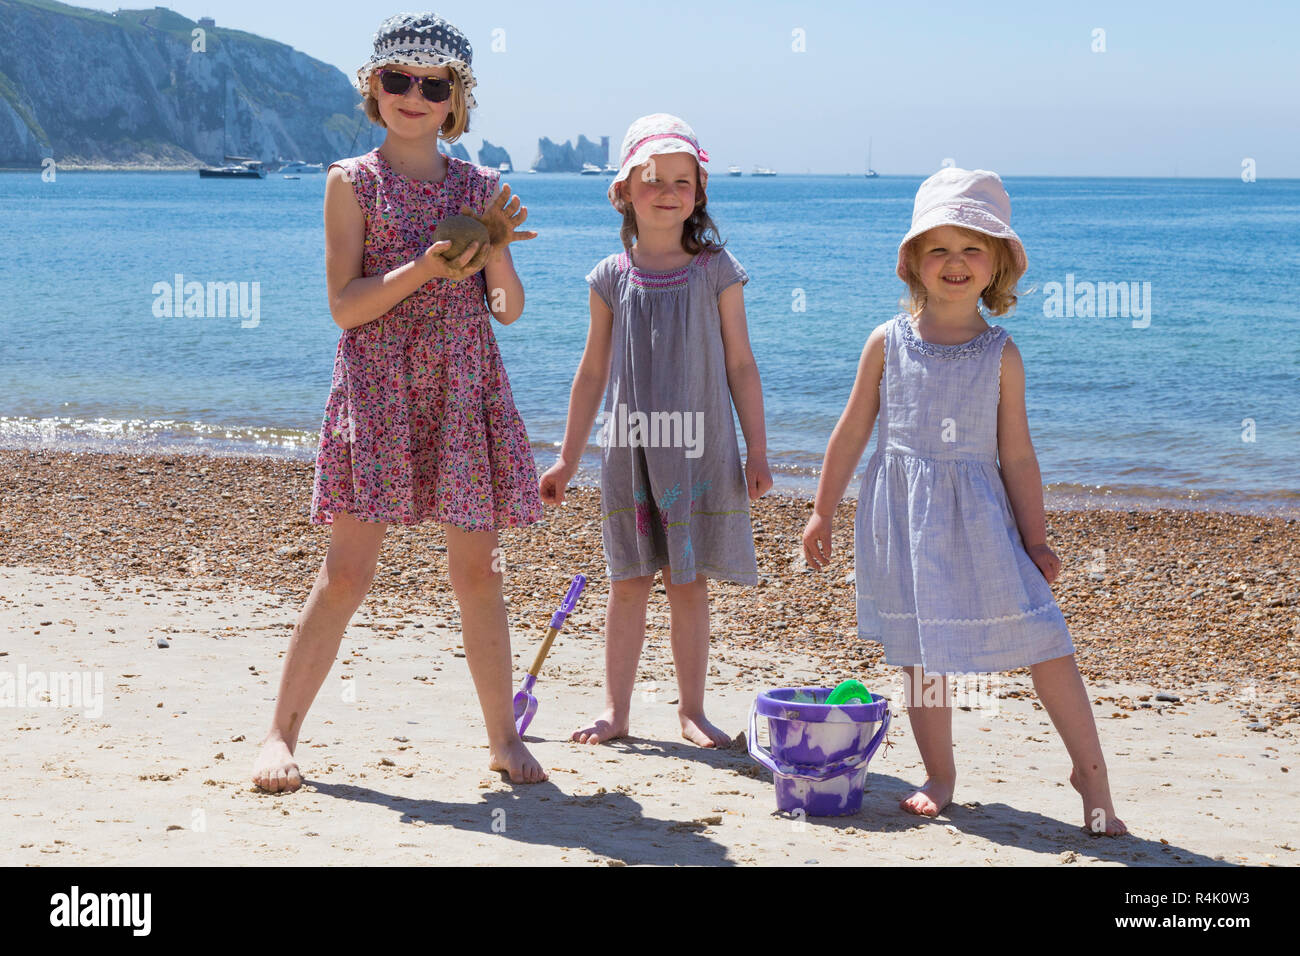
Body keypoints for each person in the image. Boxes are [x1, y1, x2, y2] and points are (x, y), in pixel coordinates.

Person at [252, 12, 546, 791]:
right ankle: (278, 736)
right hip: (378, 387)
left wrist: (498, 252)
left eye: (433, 84)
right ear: (372, 88)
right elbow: (345, 305)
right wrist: (427, 266)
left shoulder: (480, 188)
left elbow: (509, 311)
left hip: (461, 387)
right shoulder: (351, 181)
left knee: (477, 572)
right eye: (397, 79)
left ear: (457, 99)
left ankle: (501, 739)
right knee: (346, 573)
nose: (413, 95)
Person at [802, 167, 1126, 835]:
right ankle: (940, 772)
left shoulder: (1000, 354)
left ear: (998, 263)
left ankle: (1090, 774)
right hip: (905, 519)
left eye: (972, 248)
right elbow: (854, 428)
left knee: (1044, 633)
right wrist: (822, 509)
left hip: (981, 519)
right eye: (939, 248)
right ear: (913, 262)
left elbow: (1017, 455)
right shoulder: (885, 342)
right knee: (921, 649)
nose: (955, 263)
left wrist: (1034, 538)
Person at [539, 114, 771, 748]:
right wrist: (565, 459)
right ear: (624, 192)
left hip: (700, 450)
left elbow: (741, 364)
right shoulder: (609, 276)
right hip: (631, 451)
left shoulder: (716, 269)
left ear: (698, 193)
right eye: (653, 180)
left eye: (682, 181)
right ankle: (616, 711)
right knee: (628, 579)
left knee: (687, 582)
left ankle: (691, 711)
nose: (668, 192)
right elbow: (591, 374)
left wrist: (758, 448)